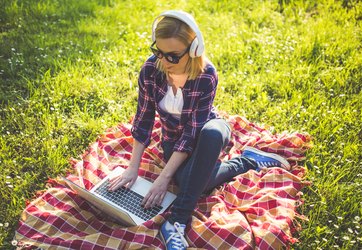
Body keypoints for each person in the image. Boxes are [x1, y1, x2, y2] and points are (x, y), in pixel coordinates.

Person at [108, 10, 290, 250]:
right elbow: (143, 120)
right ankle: (246, 162)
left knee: (212, 133)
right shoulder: (150, 70)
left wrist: (163, 178)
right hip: (173, 141)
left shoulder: (206, 75)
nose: (164, 62)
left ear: (193, 49)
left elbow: (193, 132)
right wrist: (132, 169)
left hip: (208, 133)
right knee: (196, 184)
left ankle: (176, 221)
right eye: (159, 52)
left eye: (173, 56)